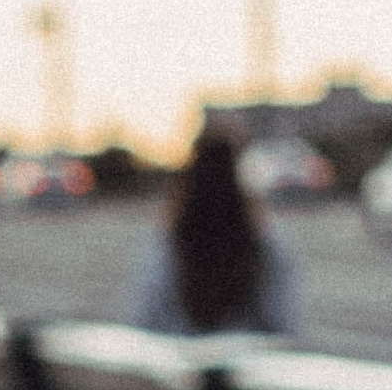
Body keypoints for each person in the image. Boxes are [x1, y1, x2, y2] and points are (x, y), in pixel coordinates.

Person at [129, 128, 302, 340]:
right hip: (245, 358)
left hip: (180, 357)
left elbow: (145, 318)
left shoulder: (170, 241)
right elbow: (282, 321)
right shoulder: (264, 240)